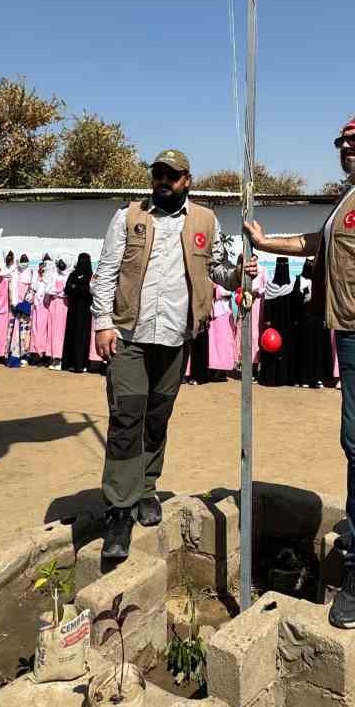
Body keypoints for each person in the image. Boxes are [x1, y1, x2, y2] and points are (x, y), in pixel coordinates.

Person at [244, 116, 355, 628]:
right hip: (352, 330)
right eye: (340, 142)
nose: (345, 148)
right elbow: (316, 244)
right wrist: (265, 242)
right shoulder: (352, 197)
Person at [93, 149, 253, 562]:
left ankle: (147, 488)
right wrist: (102, 323)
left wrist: (239, 273)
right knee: (127, 416)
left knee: (158, 416)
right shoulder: (128, 217)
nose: (163, 180)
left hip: (176, 336)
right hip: (130, 333)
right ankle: (119, 509)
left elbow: (215, 269)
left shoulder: (205, 221)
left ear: (187, 180)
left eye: (173, 175)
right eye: (158, 173)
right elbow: (107, 271)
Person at [257, 258, 297, 387]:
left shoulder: (290, 286)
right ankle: (274, 378)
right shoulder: (271, 286)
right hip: (277, 326)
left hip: (284, 326)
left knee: (283, 352)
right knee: (272, 351)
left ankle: (279, 378)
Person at [61, 253, 94, 372]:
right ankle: (69, 363)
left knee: (82, 337)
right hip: (73, 311)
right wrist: (78, 288)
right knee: (71, 336)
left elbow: (89, 291)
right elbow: (67, 288)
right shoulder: (73, 274)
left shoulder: (91, 277)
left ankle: (81, 364)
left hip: (84, 312)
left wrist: (76, 287)